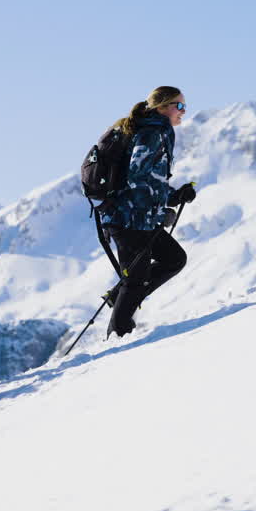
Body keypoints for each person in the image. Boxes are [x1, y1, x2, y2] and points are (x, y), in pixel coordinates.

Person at [99, 86, 196, 337]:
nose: (183, 112)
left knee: (174, 259)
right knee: (135, 282)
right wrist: (162, 205)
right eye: (180, 106)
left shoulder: (157, 131)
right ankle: (118, 337)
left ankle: (119, 297)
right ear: (162, 107)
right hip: (127, 218)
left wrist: (174, 196)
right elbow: (137, 177)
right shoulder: (151, 133)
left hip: (139, 217)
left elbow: (149, 179)